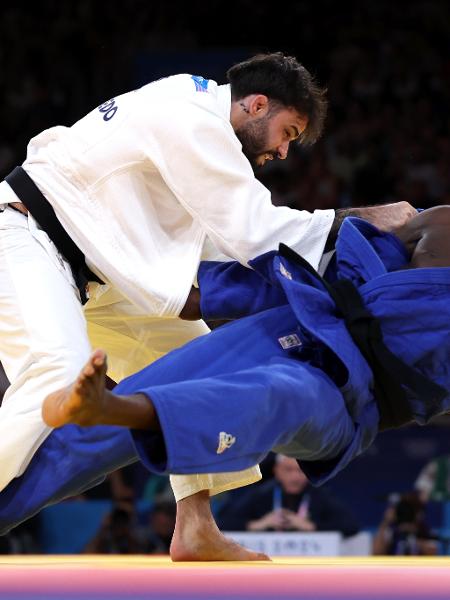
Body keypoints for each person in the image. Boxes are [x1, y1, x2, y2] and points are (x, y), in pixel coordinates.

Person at [0, 49, 415, 560]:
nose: (285, 153)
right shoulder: (196, 122)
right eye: (288, 133)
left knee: (200, 371)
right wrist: (369, 218)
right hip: (26, 240)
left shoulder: (199, 123)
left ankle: (195, 527)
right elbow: (257, 233)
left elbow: (227, 248)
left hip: (95, 272)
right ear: (257, 105)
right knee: (57, 373)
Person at [35, 205, 450, 560]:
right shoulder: (438, 223)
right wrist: (198, 298)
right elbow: (327, 266)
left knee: (281, 392)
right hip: (304, 324)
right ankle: (96, 418)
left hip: (353, 399)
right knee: (92, 429)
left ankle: (115, 407)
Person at [217, 454, 359, 537]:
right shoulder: (261, 494)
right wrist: (258, 524)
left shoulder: (319, 495)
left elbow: (351, 526)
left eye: (300, 471)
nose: (295, 477)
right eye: (288, 470)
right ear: (277, 470)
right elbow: (222, 522)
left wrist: (311, 527)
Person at [372, 492, 438, 555]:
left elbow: (433, 550)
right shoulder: (391, 529)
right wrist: (385, 522)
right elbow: (377, 552)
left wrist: (415, 541)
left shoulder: (423, 529)